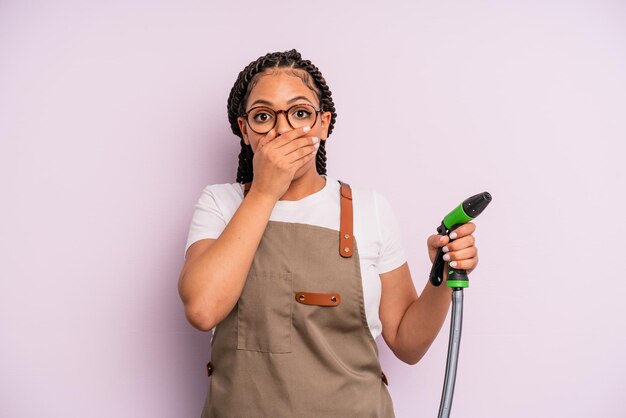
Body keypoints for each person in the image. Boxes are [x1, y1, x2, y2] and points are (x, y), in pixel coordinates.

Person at [178, 49, 479, 418]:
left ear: (323, 124)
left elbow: (407, 343)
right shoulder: (220, 204)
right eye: (263, 116)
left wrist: (443, 278)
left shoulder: (370, 209)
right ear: (244, 131)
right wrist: (263, 192)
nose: (282, 129)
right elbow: (202, 309)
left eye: (300, 113)